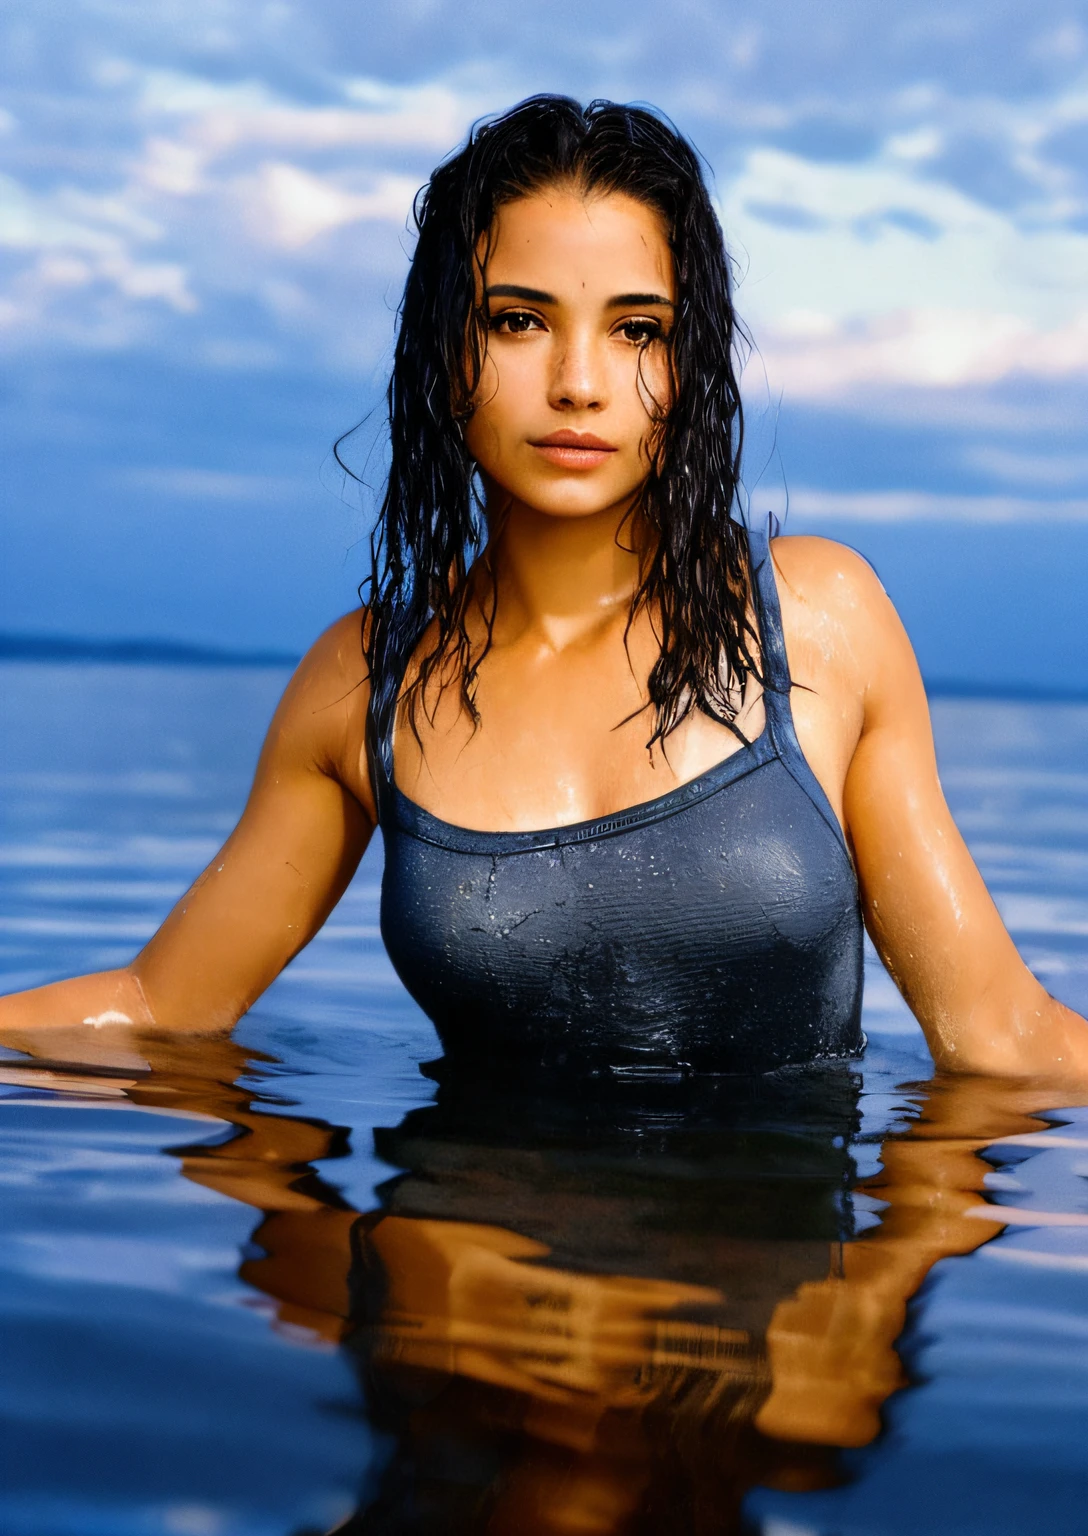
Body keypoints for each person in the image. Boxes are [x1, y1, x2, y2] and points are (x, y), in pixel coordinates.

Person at [0, 95, 1085, 1081]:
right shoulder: (364, 685)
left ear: (686, 364)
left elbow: (999, 1035)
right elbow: (162, 1007)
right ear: (445, 349)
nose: (577, 382)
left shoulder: (818, 620)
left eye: (635, 330)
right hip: (447, 1290)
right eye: (517, 320)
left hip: (771, 1299)